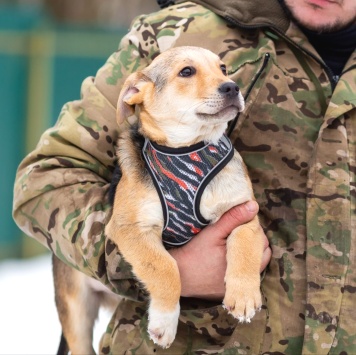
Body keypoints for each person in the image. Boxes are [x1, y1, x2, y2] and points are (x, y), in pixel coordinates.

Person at [13, 0, 355, 353]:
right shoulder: (173, 33)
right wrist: (161, 269)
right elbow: (43, 183)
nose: (224, 82)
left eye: (223, 70)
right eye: (190, 73)